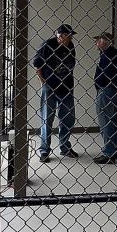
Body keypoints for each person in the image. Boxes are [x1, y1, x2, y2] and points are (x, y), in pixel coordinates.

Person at [33, 24, 78, 162]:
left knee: (68, 118)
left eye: (70, 36)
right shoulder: (47, 45)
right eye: (66, 36)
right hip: (50, 87)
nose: (69, 39)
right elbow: (37, 64)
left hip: (67, 87)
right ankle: (44, 151)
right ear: (59, 35)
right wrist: (43, 82)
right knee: (47, 119)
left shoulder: (70, 46)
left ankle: (65, 147)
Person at [91, 32, 117, 165]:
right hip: (114, 91)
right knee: (114, 121)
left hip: (106, 91)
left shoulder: (108, 55)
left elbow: (107, 75)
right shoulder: (115, 54)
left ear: (105, 42)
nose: (95, 43)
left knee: (106, 121)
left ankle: (109, 153)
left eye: (97, 40)